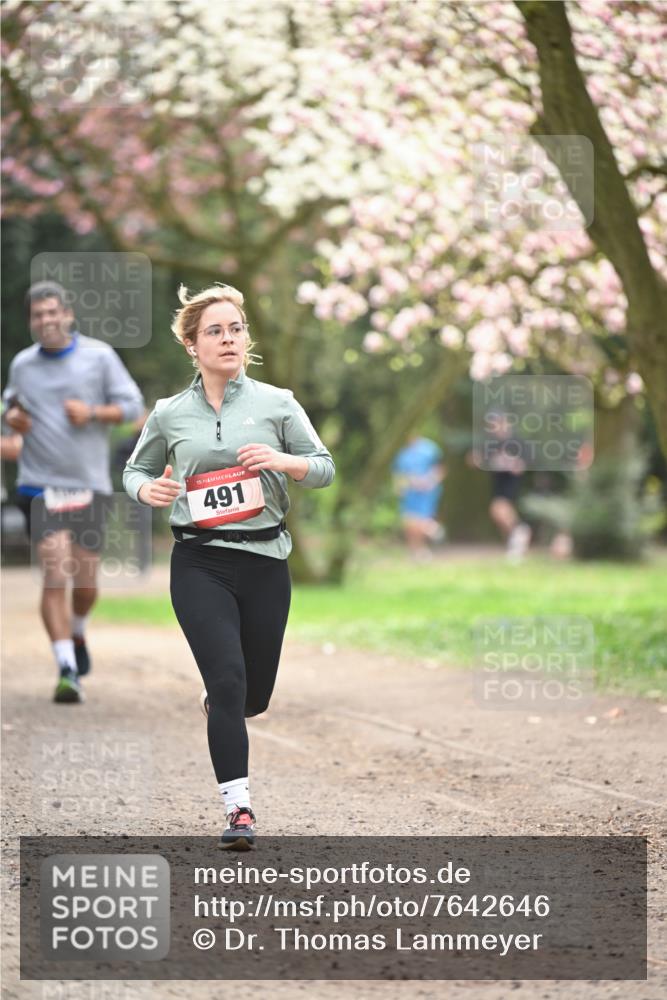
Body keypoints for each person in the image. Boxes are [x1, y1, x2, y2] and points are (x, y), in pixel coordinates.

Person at [123, 283, 335, 849]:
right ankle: (238, 809)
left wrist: (283, 461)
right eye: (215, 331)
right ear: (192, 345)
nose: (228, 338)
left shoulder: (277, 402)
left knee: (252, 697)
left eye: (236, 328)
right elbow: (134, 471)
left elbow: (323, 467)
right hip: (199, 561)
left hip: (266, 558)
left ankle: (227, 702)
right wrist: (149, 492)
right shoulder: (170, 413)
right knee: (227, 679)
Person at [2, 280, 145, 703]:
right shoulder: (23, 365)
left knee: (85, 583)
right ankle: (66, 667)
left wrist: (95, 412)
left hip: (89, 486)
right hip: (38, 484)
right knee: (54, 570)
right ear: (31, 321)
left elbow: (134, 406)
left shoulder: (99, 357)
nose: (46, 320)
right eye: (37, 315)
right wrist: (15, 418)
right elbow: (11, 409)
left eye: (52, 312)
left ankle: (78, 632)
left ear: (68, 315)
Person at [392, 434, 446, 560]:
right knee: (409, 523)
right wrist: (399, 489)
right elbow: (398, 474)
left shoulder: (430, 448)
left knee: (420, 521)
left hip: (427, 493)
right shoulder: (401, 453)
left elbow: (440, 468)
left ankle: (424, 545)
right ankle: (416, 550)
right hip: (409, 492)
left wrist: (430, 482)